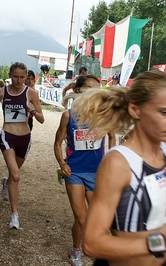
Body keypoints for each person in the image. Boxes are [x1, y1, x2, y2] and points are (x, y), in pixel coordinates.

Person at [69, 70, 166, 266]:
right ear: (135, 109)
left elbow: (142, 191)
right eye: (165, 112)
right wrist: (162, 242)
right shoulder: (118, 163)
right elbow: (91, 243)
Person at [54, 74, 115, 266]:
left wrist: (111, 160)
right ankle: (76, 250)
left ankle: (96, 248)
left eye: (97, 88)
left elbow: (113, 137)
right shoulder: (68, 116)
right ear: (78, 91)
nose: (93, 92)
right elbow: (56, 143)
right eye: (89, 87)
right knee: (81, 218)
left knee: (99, 216)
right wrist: (63, 164)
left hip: (97, 173)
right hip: (75, 172)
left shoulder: (103, 114)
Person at [0, 62, 44, 229]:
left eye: (22, 77)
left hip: (25, 138)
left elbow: (42, 119)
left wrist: (33, 111)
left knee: (14, 175)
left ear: (27, 77)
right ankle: (14, 216)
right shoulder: (2, 92)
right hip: (8, 136)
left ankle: (6, 183)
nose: (19, 80)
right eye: (15, 76)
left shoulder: (31, 94)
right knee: (17, 175)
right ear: (10, 75)